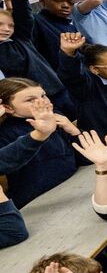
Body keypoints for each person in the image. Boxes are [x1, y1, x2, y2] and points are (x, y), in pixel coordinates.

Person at [0, 0, 72, 114]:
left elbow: (24, 14)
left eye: (10, 25)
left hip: (58, 91)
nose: (6, 29)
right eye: (0, 25)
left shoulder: (21, 38)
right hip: (31, 105)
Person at [0, 78, 81, 208]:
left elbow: (86, 159)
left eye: (43, 95)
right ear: (8, 108)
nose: (42, 101)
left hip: (74, 185)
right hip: (38, 202)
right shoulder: (4, 133)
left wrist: (74, 131)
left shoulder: (55, 117)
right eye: (30, 100)